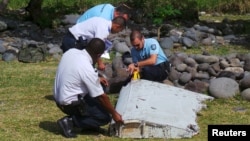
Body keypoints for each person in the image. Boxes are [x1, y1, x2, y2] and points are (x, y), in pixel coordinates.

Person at [54, 38, 123, 138]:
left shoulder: (71, 52)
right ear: (99, 55)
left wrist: (97, 79)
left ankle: (89, 125)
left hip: (60, 97)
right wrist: (114, 114)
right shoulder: (86, 67)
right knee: (103, 117)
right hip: (69, 104)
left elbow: (76, 73)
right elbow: (102, 97)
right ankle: (70, 122)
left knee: (102, 86)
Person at [60, 16, 126, 70]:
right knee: (74, 67)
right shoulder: (104, 29)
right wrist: (100, 63)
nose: (118, 32)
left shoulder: (102, 21)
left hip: (73, 38)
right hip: (73, 40)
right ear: (117, 26)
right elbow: (96, 48)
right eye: (120, 30)